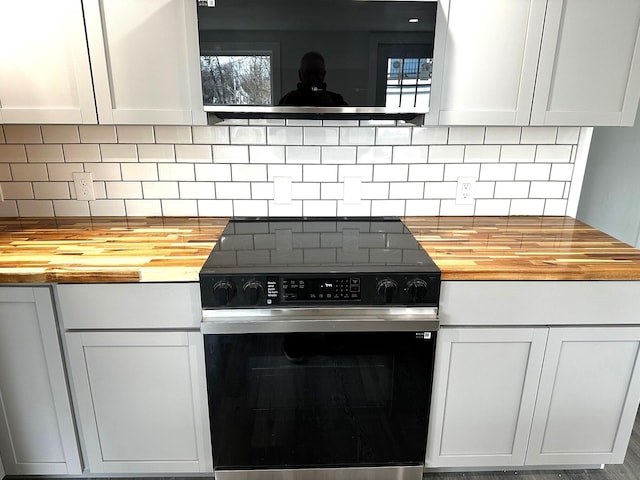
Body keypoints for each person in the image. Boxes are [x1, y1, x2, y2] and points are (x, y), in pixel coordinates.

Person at [278, 51, 347, 106]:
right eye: (308, 73)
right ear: (300, 74)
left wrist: (332, 107)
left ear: (323, 74)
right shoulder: (289, 99)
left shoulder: (336, 100)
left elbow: (349, 121)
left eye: (317, 73)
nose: (312, 78)